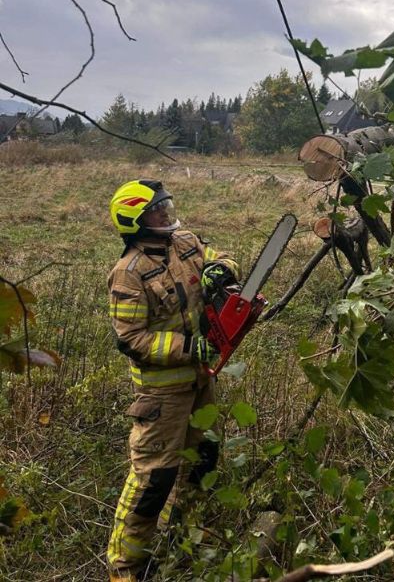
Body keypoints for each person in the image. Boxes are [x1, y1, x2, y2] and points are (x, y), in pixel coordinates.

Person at [105, 179, 237, 582]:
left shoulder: (185, 241)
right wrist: (187, 347)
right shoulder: (128, 274)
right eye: (157, 210)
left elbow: (224, 256)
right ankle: (125, 567)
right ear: (137, 221)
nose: (167, 212)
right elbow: (130, 338)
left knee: (202, 459)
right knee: (153, 478)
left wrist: (222, 269)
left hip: (202, 380)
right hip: (162, 393)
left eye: (167, 205)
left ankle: (183, 534)